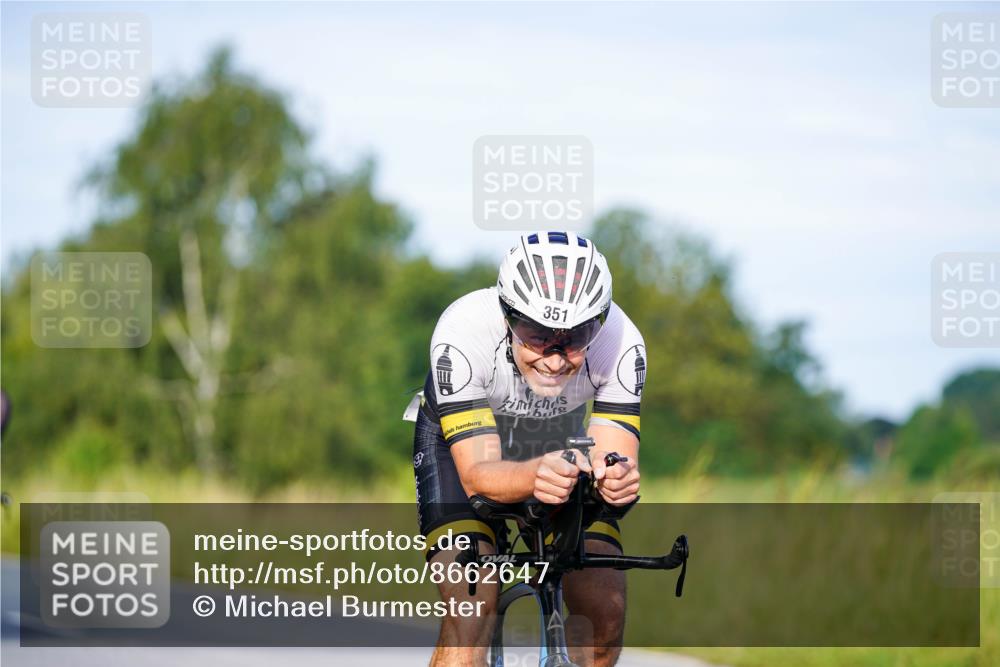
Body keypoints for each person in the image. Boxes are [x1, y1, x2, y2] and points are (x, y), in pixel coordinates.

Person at [410, 231, 646, 667]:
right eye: (537, 334)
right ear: (506, 315)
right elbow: (479, 474)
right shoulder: (462, 330)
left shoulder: (621, 341)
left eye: (576, 337)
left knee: (604, 611)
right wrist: (536, 473)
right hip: (463, 444)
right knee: (471, 612)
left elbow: (614, 455)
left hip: (563, 440)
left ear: (600, 322)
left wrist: (616, 481)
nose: (555, 360)